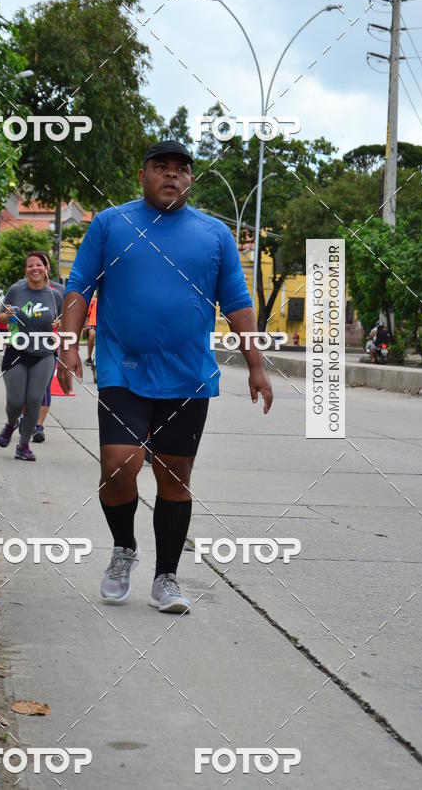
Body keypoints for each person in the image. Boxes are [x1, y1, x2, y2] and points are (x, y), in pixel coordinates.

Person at [59, 140, 273, 614]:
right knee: (118, 464)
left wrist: (256, 364)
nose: (171, 176)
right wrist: (69, 343)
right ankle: (123, 549)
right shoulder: (111, 224)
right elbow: (79, 285)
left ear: (191, 179)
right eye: (161, 167)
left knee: (174, 477)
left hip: (188, 376)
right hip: (123, 368)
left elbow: (237, 301)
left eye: (181, 169)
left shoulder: (214, 234)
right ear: (144, 174)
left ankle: (166, 578)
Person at [0, 251, 63, 461]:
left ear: (46, 268)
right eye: (30, 266)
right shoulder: (16, 290)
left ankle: (23, 445)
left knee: (35, 399)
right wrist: (7, 315)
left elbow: (63, 320)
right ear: (26, 270)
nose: (34, 268)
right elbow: (2, 316)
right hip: (17, 350)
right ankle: (11, 423)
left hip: (44, 353)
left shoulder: (56, 295)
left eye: (39, 265)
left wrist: (61, 323)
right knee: (15, 401)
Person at [83, 294, 97, 365]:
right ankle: (89, 358)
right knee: (92, 334)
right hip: (91, 324)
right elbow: (87, 315)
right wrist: (85, 326)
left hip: (102, 325)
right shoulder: (93, 301)